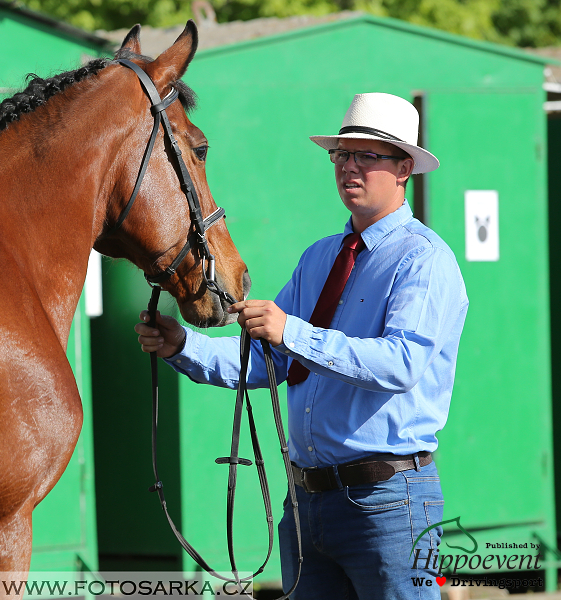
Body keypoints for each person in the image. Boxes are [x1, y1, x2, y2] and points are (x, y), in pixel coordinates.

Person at [135, 92, 468, 599]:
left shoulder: (423, 260)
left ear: (404, 169)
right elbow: (270, 360)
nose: (349, 167)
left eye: (367, 156)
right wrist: (182, 345)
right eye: (341, 155)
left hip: (389, 502)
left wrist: (293, 331)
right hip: (307, 500)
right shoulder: (320, 257)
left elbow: (401, 365)